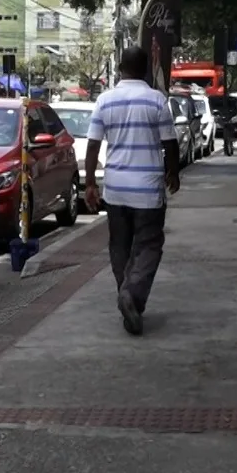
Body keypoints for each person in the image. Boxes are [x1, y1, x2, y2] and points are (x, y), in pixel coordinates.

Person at [83, 45, 180, 336]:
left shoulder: (105, 101)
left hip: (115, 190)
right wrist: (173, 172)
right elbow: (170, 143)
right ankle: (132, 295)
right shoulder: (156, 100)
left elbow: (92, 144)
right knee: (149, 245)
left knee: (119, 247)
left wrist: (90, 183)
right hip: (148, 191)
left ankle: (127, 296)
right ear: (146, 69)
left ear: (120, 68)